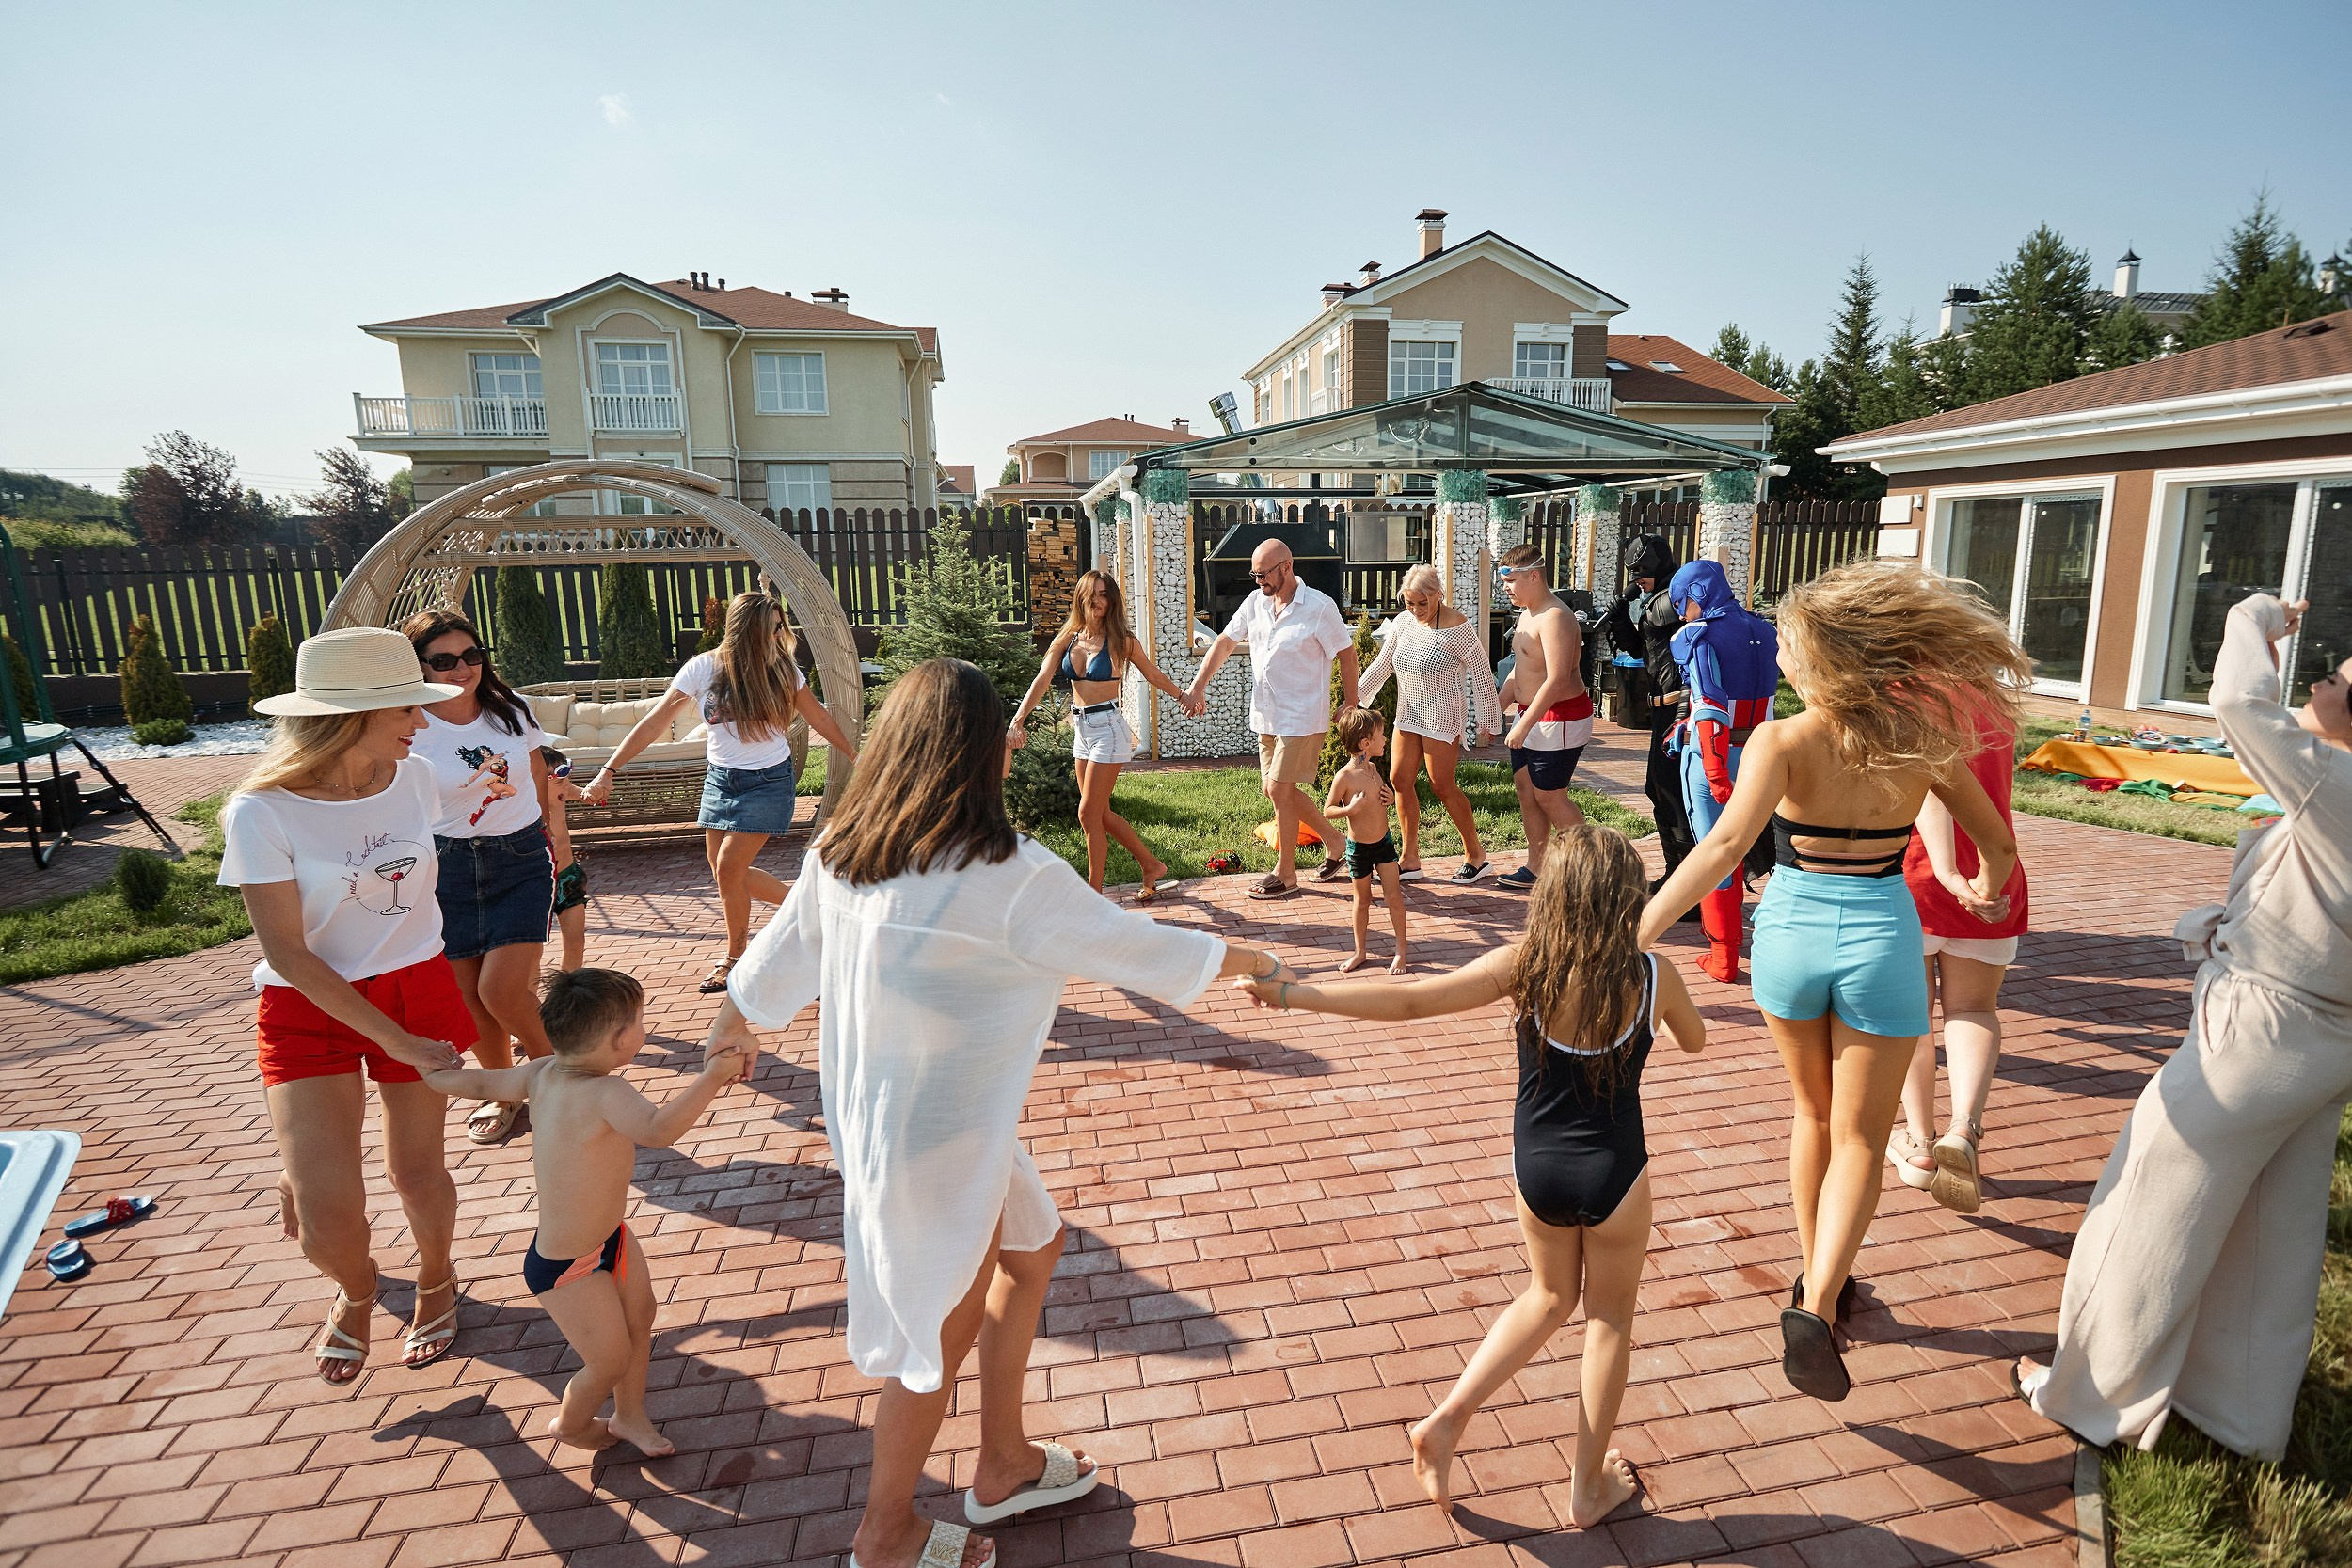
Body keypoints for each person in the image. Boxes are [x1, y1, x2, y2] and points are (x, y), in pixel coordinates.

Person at [705, 657, 1297, 1568]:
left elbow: (763, 978)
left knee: (1033, 1247)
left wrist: (728, 1032)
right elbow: (1137, 946)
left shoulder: (843, 854)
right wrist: (1251, 961)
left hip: (901, 1122)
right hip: (936, 1141)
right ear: (981, 752)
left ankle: (1005, 1460)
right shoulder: (1009, 871)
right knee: (933, 1330)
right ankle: (886, 1531)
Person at [1238, 825, 1706, 1527]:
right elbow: (1694, 1038)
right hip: (1617, 1171)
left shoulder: (1527, 965)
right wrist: (1654, 1014)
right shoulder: (1653, 974)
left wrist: (1294, 995)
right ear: (1624, 902)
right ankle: (1586, 1489)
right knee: (1607, 1315)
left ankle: (1447, 1420)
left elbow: (1414, 1000)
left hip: (1537, 1169)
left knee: (1548, 1295)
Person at [1638, 560, 2024, 1402]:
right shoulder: (1920, 738)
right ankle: (1817, 1299)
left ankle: (1821, 1282)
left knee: (1811, 1116)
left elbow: (1721, 850)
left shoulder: (1780, 738)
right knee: (1860, 1138)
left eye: (1789, 641)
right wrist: (1987, 887)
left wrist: (1637, 928)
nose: (1776, 650)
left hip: (1791, 933)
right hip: (1881, 935)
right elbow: (1996, 843)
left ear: (1828, 655)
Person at [2018, 593, 2352, 1463]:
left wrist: (2255, 616)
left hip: (2261, 1034)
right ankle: (2241, 1414)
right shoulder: (2337, 789)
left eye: (2339, 678)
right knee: (2273, 1233)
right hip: (2327, 1044)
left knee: (2147, 1205)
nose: (2322, 677)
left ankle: (2089, 1395)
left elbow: (2241, 703)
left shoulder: (2334, 780)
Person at [215, 626, 471, 1385]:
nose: (421, 722)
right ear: (346, 713)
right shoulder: (261, 811)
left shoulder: (416, 778)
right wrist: (393, 1038)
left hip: (415, 984)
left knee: (417, 1174)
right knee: (327, 1221)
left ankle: (435, 1277)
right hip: (306, 1002)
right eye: (406, 707)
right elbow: (289, 953)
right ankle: (356, 1288)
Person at [423, 968, 748, 1455]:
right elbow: (659, 1130)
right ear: (620, 1041)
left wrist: (435, 1073)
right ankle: (572, 1425)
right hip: (564, 1268)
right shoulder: (605, 1092)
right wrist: (712, 1077)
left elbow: (479, 1083)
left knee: (641, 1319)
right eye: (640, 1021)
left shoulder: (540, 1071)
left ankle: (630, 1416)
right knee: (608, 1361)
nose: (644, 1028)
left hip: (610, 1239)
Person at [583, 592, 859, 993]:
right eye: (772, 627)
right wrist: (609, 770)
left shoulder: (783, 671)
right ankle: (813, 912)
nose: (779, 634)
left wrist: (855, 756)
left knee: (729, 868)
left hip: (768, 781)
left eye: (780, 626)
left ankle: (734, 959)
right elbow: (655, 722)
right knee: (725, 874)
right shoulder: (703, 669)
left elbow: (817, 715)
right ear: (746, 630)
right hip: (721, 780)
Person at [402, 609, 559, 1146]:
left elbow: (538, 777)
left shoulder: (509, 710)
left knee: (502, 990)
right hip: (443, 865)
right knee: (471, 997)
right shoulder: (410, 723)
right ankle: (503, 1092)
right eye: (443, 660)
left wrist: (559, 843)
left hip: (519, 860)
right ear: (418, 665)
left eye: (471, 655)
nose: (461, 668)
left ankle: (563, 1079)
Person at [1889, 696, 2029, 1212]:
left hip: (1918, 873)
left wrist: (1947, 871)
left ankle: (1921, 1142)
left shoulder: (1899, 693)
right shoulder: (1992, 700)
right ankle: (1965, 1128)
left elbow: (1932, 788)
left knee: (1912, 1015)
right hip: (1994, 871)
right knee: (1974, 1009)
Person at [1008, 568, 1200, 898]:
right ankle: (1151, 864)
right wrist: (1018, 720)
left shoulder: (1122, 641)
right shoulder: (1066, 639)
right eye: (1092, 594)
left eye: (1104, 594)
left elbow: (1151, 673)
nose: (1098, 600)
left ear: (1112, 600)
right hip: (1081, 729)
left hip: (1109, 730)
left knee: (1086, 812)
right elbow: (1041, 680)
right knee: (1101, 814)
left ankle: (1092, 895)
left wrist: (1184, 695)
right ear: (1081, 597)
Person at [1184, 538, 1359, 899]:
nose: (1258, 581)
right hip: (1267, 714)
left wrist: (1351, 701)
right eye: (1254, 574)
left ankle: (1286, 873)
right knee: (1276, 790)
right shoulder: (1255, 603)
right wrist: (1198, 686)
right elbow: (1225, 643)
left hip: (1303, 716)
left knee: (1279, 789)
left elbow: (1346, 652)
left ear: (1287, 566)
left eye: (1264, 574)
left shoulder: (1319, 607)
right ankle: (1335, 841)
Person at [1664, 560, 1782, 984]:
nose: (1680, 613)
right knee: (1780, 848)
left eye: (1681, 602)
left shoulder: (1698, 636)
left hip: (1718, 755)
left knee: (1716, 855)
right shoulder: (1765, 629)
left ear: (1696, 595)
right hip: (1767, 751)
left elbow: (1712, 705)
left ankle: (1723, 956)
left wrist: (1714, 771)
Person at [1358, 563, 1503, 883]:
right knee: (1399, 780)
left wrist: (1489, 720)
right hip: (1409, 714)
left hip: (1442, 715)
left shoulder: (1459, 627)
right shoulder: (1403, 623)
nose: (1416, 609)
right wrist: (1355, 701)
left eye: (1423, 603)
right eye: (1410, 603)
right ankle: (1409, 859)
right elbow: (1383, 665)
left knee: (1442, 785)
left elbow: (1480, 676)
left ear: (1439, 594)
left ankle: (1476, 856)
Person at [1494, 544, 1591, 892]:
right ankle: (1537, 867)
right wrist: (1496, 711)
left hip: (1559, 718)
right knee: (1526, 792)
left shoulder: (1555, 617)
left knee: (1551, 796)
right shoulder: (1527, 611)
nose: (1506, 587)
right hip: (1532, 715)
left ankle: (1594, 868)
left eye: (1511, 580)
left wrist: (1524, 723)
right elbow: (1520, 671)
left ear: (1534, 576)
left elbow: (1557, 679)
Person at [1603, 535, 1694, 887]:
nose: (1637, 580)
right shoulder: (1657, 599)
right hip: (1660, 708)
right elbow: (1644, 651)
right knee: (1658, 790)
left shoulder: (1679, 598)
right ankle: (1677, 873)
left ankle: (1687, 883)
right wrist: (1621, 620)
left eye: (1642, 572)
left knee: (1672, 792)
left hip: (1678, 707)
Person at [1324, 707, 1408, 974]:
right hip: (1358, 849)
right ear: (1365, 743)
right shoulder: (1345, 777)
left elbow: (1382, 800)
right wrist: (1349, 810)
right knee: (1362, 901)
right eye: (1381, 735)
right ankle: (1360, 951)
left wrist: (1391, 798)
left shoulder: (1372, 769)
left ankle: (1401, 952)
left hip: (1384, 844)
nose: (1385, 740)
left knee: (1394, 897)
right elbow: (1328, 810)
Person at [541, 745, 589, 972]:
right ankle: (531, 1001)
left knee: (576, 942)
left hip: (568, 877)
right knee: (532, 952)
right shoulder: (524, 806)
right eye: (559, 778)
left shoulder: (561, 790)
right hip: (538, 882)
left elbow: (577, 792)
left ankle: (566, 992)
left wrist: (589, 794)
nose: (566, 783)